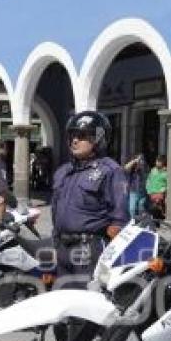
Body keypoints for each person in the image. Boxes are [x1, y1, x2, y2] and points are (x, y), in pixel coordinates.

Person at [51, 111, 128, 286]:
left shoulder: (110, 170)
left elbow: (119, 220)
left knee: (83, 303)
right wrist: (56, 243)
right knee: (61, 301)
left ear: (98, 138)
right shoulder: (63, 172)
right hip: (63, 247)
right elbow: (55, 210)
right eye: (72, 135)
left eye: (82, 136)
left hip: (88, 249)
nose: (74, 140)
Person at [123, 153, 149, 218]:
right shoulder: (132, 170)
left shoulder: (145, 168)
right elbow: (125, 168)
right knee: (132, 208)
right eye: (140, 160)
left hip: (142, 192)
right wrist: (135, 161)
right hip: (133, 191)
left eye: (142, 159)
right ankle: (132, 221)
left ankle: (141, 223)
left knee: (141, 208)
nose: (141, 161)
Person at [146, 154, 168, 219]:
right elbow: (148, 180)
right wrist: (148, 189)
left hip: (161, 195)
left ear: (163, 162)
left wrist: (164, 190)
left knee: (158, 210)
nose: (157, 163)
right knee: (152, 211)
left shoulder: (166, 172)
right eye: (157, 161)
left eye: (159, 161)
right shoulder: (153, 170)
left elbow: (168, 183)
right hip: (151, 194)